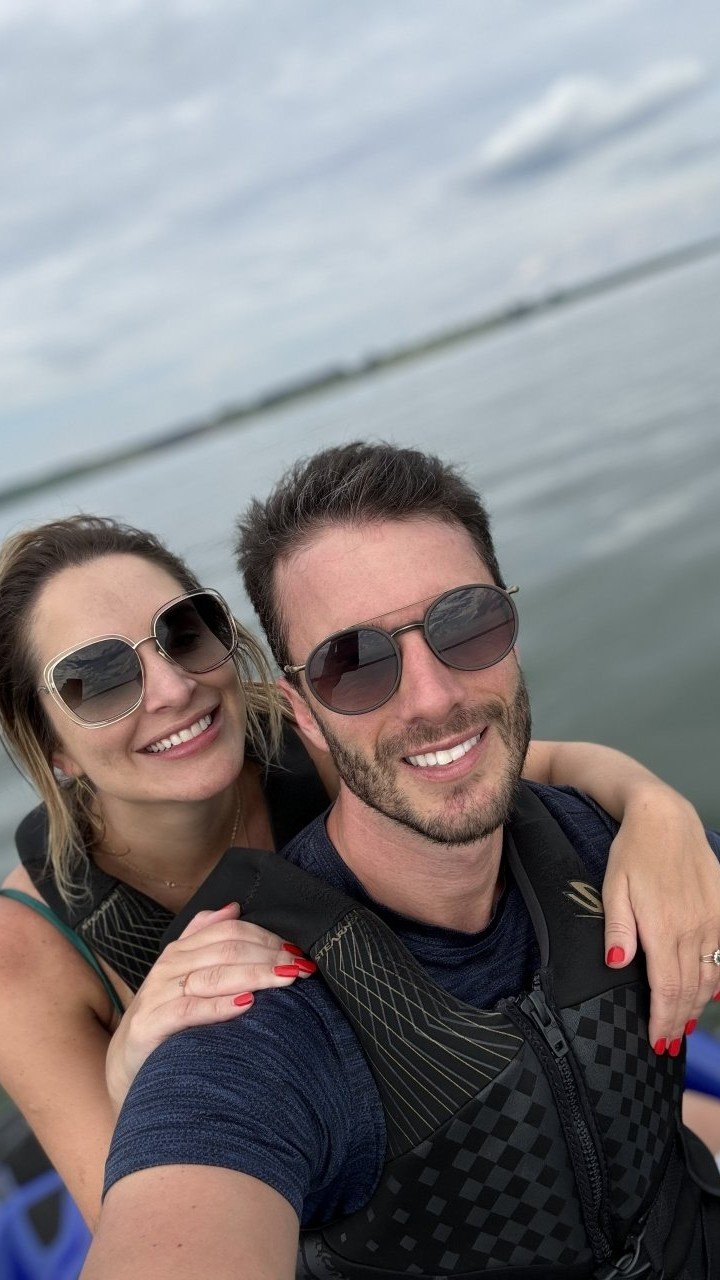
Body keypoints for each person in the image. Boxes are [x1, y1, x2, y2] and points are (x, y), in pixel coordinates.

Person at [85, 443, 720, 1278]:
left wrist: (660, 808)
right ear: (302, 713)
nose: (434, 695)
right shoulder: (258, 1014)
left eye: (467, 622)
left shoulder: (607, 846)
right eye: (351, 664)